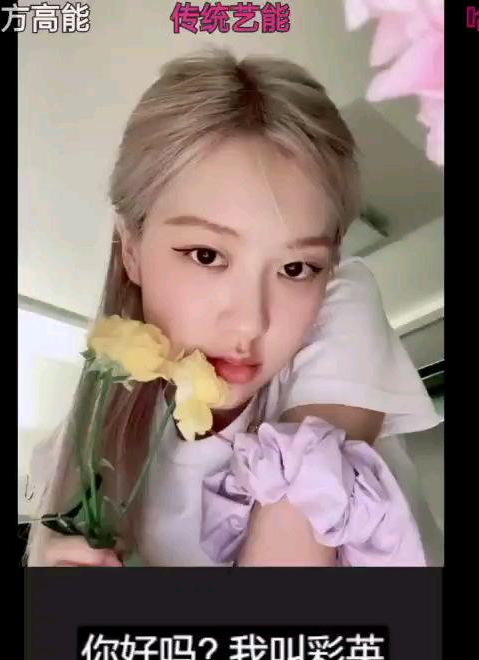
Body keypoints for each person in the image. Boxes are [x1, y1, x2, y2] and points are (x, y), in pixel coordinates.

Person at [24, 49, 442, 568]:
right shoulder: (75, 453)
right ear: (130, 248)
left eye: (296, 268)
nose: (250, 322)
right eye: (207, 255)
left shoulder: (339, 304)